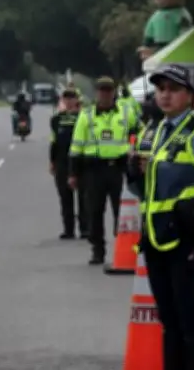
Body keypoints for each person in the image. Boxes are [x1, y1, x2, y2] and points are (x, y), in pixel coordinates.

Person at [127, 64, 194, 370]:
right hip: (156, 238)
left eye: (173, 90)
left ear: (189, 95)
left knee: (190, 320)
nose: (166, 96)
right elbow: (139, 188)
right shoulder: (151, 133)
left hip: (187, 239)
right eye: (161, 90)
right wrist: (132, 171)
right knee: (168, 322)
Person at [68, 76, 141, 264]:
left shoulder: (125, 112)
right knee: (94, 212)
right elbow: (76, 146)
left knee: (123, 211)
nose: (105, 94)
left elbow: (138, 131)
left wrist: (136, 151)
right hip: (94, 170)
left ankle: (124, 248)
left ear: (114, 92)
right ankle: (97, 250)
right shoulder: (87, 115)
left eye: (109, 90)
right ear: (97, 92)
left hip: (119, 168)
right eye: (102, 90)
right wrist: (73, 173)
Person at [51, 89, 88, 240]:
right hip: (62, 161)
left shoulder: (84, 117)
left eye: (72, 97)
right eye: (66, 98)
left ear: (77, 100)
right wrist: (52, 161)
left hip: (81, 161)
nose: (69, 101)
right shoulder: (56, 119)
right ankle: (68, 229)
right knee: (65, 197)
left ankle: (85, 228)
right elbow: (54, 142)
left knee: (84, 198)